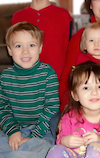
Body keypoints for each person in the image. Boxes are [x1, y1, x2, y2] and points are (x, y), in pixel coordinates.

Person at [0, 22, 60, 158]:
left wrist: (34, 135)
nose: (25, 51)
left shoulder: (47, 73)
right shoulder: (5, 77)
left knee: (47, 149)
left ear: (40, 48)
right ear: (9, 50)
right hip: (13, 131)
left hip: (42, 131)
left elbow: (52, 108)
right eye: (18, 46)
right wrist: (13, 131)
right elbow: (2, 108)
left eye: (31, 45)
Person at [46, 61, 100, 158]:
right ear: (75, 95)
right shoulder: (69, 117)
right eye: (86, 88)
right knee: (56, 150)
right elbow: (60, 141)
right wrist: (65, 141)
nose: (94, 92)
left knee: (95, 148)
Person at [12, 0, 73, 79]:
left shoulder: (64, 15)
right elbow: (15, 53)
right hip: (27, 83)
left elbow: (69, 52)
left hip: (57, 82)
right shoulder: (18, 17)